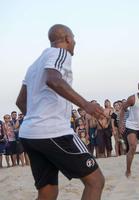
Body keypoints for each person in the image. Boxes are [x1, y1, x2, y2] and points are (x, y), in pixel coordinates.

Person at [16, 24, 105, 200]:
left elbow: (20, 101)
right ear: (67, 39)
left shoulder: (34, 65)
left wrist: (36, 123)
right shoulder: (60, 53)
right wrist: (86, 104)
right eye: (74, 39)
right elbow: (53, 80)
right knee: (96, 181)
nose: (75, 43)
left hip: (29, 134)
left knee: (47, 191)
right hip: (54, 132)